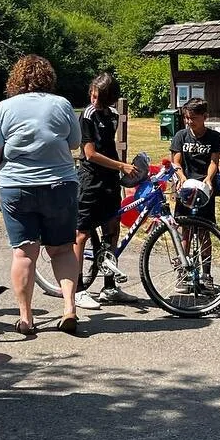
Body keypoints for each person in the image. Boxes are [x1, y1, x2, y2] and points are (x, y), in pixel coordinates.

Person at [0, 54, 83, 336]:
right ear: (48, 78)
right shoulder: (62, 104)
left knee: (24, 252)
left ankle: (26, 317)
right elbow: (75, 142)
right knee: (62, 249)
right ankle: (69, 309)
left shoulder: (3, 108)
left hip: (17, 186)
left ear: (15, 79)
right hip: (60, 184)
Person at [73, 72, 140, 311]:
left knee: (112, 231)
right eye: (92, 95)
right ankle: (78, 289)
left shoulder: (114, 115)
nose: (93, 100)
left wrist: (121, 170)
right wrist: (121, 165)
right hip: (90, 179)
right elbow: (90, 153)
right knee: (82, 233)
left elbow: (109, 149)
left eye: (98, 97)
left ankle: (109, 287)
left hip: (110, 179)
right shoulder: (87, 115)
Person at [170, 97, 220, 280]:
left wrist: (209, 179)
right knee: (184, 230)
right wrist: (182, 178)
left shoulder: (214, 137)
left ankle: (206, 274)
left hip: (204, 189)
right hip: (185, 187)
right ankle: (183, 272)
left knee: (204, 232)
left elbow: (214, 161)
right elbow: (176, 161)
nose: (188, 121)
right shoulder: (181, 136)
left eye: (192, 118)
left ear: (204, 117)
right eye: (186, 118)